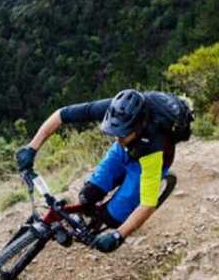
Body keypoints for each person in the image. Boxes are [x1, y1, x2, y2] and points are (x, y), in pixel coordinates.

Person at [15, 89, 190, 254]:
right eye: (115, 132)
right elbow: (62, 115)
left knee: (113, 217)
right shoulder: (117, 109)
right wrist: (32, 148)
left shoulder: (154, 149)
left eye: (121, 134)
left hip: (147, 161)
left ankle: (104, 220)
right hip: (126, 150)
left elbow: (148, 204)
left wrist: (118, 235)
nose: (116, 137)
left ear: (138, 128)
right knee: (88, 194)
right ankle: (90, 211)